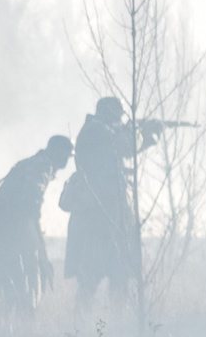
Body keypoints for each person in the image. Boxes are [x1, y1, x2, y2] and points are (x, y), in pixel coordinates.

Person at [62, 97, 163, 313]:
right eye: (119, 117)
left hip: (109, 214)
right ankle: (82, 329)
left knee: (119, 276)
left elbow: (122, 150)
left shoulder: (99, 131)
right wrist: (138, 132)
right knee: (92, 275)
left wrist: (146, 137)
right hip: (100, 215)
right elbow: (125, 146)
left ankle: (117, 325)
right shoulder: (97, 131)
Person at [0, 135, 74, 323]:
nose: (67, 162)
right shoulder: (42, 167)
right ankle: (21, 329)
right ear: (58, 152)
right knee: (27, 284)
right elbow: (32, 203)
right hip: (15, 230)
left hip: (5, 229)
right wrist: (37, 240)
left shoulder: (28, 163)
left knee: (16, 288)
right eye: (66, 156)